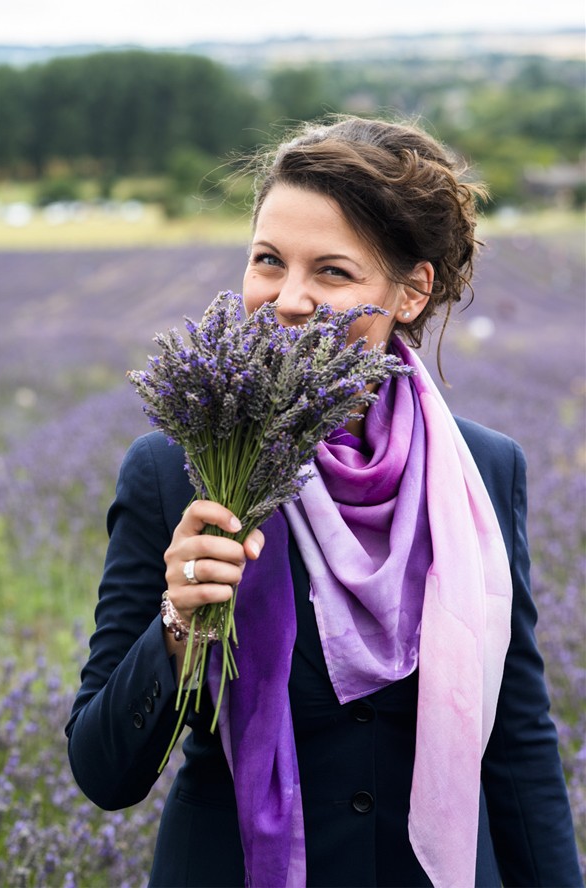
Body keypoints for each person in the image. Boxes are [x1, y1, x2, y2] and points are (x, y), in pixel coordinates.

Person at [66, 116, 582, 888]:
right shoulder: (178, 471)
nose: (289, 299)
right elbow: (104, 771)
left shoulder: (482, 471)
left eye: (333, 272)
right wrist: (176, 624)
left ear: (411, 292)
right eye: (269, 261)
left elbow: (516, 749)